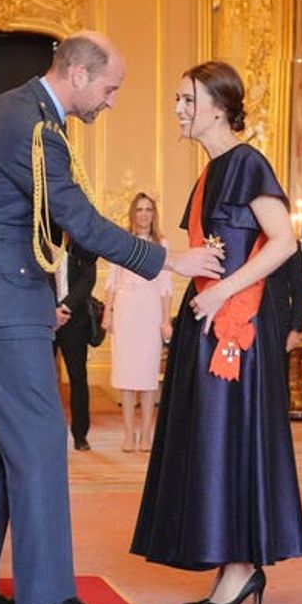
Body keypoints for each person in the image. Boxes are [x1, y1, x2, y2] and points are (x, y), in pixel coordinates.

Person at [0, 31, 224, 604]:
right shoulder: (35, 126)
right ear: (77, 75)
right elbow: (80, 221)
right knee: (41, 444)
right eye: (110, 88)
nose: (112, 100)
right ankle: (45, 598)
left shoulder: (20, 110)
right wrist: (169, 259)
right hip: (3, 305)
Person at [131, 61, 302, 604]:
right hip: (205, 317)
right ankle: (228, 562)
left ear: (219, 105)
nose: (179, 109)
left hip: (237, 328)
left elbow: (283, 242)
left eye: (188, 99)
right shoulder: (210, 172)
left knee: (230, 438)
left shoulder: (248, 163)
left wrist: (218, 292)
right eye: (178, 99)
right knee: (209, 440)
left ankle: (240, 567)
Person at [102, 192, 172, 452]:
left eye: (148, 209)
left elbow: (165, 287)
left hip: (150, 311)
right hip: (125, 310)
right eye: (139, 209)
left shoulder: (161, 244)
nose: (144, 214)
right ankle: (128, 435)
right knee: (127, 378)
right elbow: (111, 281)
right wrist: (107, 312)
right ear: (133, 213)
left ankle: (146, 436)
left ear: (153, 214)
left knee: (147, 378)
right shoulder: (123, 241)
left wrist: (166, 320)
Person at [53, 242, 97, 452]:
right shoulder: (37, 239)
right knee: (41, 380)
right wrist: (50, 311)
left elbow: (88, 277)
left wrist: (65, 307)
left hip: (75, 319)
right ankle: (46, 435)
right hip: (43, 320)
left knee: (78, 378)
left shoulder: (82, 241)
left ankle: (80, 435)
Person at [266, 240, 302, 381]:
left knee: (278, 378)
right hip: (247, 318)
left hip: (279, 322)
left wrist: (296, 329)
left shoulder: (291, 244)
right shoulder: (248, 238)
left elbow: (298, 290)